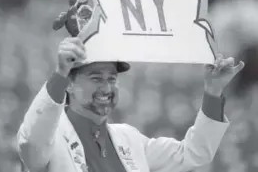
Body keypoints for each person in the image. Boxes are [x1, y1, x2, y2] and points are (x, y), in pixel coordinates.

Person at [17, 36, 244, 172]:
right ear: (68, 84)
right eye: (96, 78)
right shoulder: (50, 140)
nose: (106, 88)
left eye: (112, 79)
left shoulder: (129, 138)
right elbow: (30, 142)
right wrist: (60, 73)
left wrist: (213, 91)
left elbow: (194, 153)